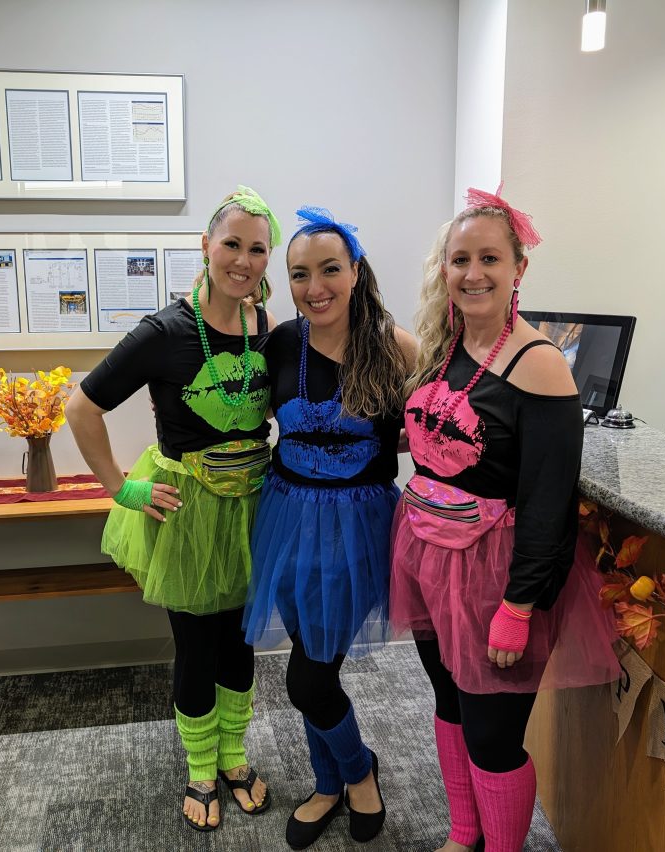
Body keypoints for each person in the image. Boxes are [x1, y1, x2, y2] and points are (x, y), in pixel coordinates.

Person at [390, 186, 619, 852]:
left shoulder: (539, 364)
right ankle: (465, 834)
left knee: (493, 736)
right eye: (459, 259)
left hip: (496, 576)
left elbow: (549, 502)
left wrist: (519, 605)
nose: (473, 273)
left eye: (489, 258)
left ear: (519, 267)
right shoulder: (449, 344)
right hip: (428, 554)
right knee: (450, 705)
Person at [65, 186, 281, 833]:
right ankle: (200, 769)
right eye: (232, 244)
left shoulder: (265, 326)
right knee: (196, 645)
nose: (243, 260)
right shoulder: (165, 331)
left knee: (241, 640)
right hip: (188, 511)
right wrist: (122, 489)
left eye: (257, 249)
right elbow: (82, 408)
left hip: (252, 510)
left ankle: (235, 755)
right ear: (206, 245)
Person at [242, 206, 417, 849]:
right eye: (299, 274)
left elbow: (433, 428)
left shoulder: (396, 347)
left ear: (356, 271)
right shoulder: (279, 343)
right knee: (310, 661)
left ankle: (359, 770)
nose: (315, 287)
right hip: (287, 518)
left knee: (308, 678)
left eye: (329, 270)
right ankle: (326, 783)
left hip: (357, 527)